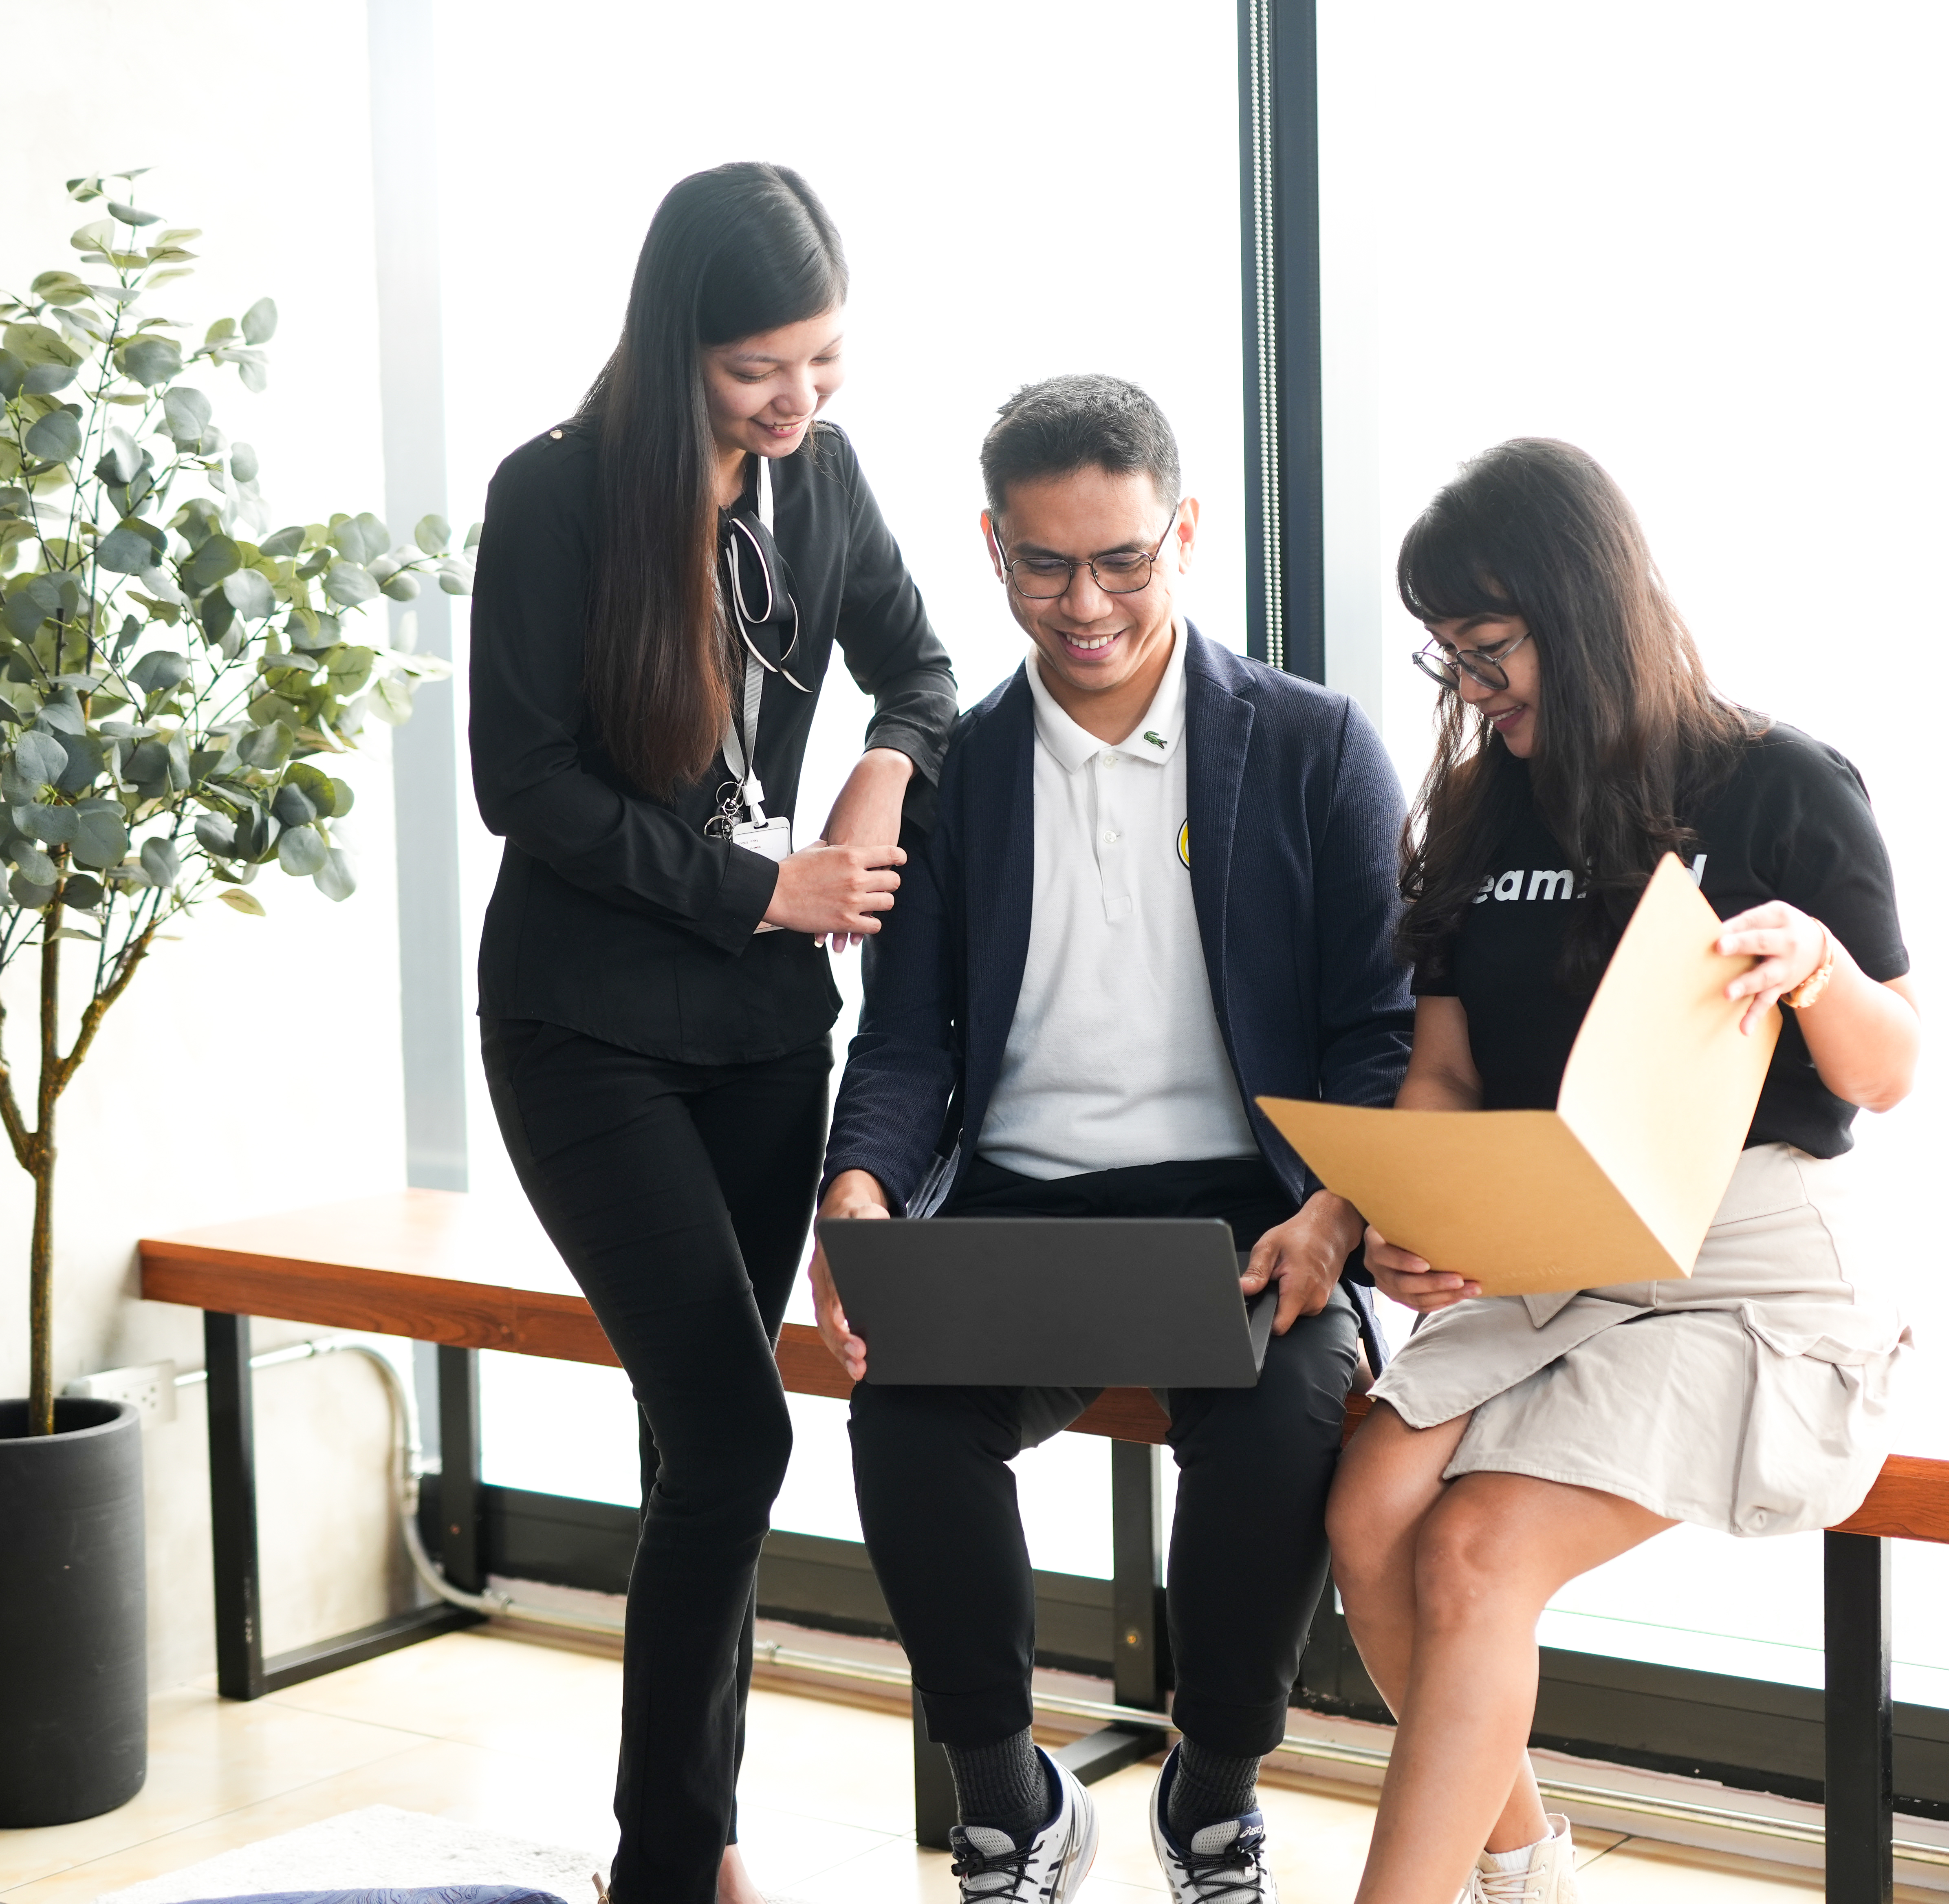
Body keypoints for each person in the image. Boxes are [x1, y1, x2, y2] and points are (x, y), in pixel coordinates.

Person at [812, 374, 1413, 1904]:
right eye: (1044, 565)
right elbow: (903, 1043)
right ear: (995, 552)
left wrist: (1339, 1211)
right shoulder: (958, 780)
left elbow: (1379, 1038)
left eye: (1122, 562)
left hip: (1248, 1209)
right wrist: (860, 1194)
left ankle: (1212, 1791)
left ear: (1185, 537)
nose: (1084, 604)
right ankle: (1010, 1796)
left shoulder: (1316, 749)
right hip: (1020, 1203)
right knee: (903, 1418)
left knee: (1286, 1416)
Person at [1324, 439, 1921, 1904]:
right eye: (1449, 656)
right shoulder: (1477, 814)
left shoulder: (1776, 783)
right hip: (1558, 1239)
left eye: (1493, 647)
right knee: (1368, 1512)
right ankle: (1523, 1875)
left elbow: (1890, 1069)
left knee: (1472, 1550)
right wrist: (1419, 1210)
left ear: (1580, 609)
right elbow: (1451, 1074)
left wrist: (1819, 965)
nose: (1473, 688)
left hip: (1754, 1263)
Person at [466, 162, 957, 1904]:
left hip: (763, 1035)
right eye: (763, 366)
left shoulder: (819, 480)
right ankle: (674, 1867)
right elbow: (520, 786)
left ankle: (687, 1846)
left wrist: (885, 768)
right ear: (680, 340)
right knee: (743, 1430)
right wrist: (767, 887)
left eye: (823, 360)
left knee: (701, 1437)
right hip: (585, 1029)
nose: (800, 400)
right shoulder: (555, 498)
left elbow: (923, 666)